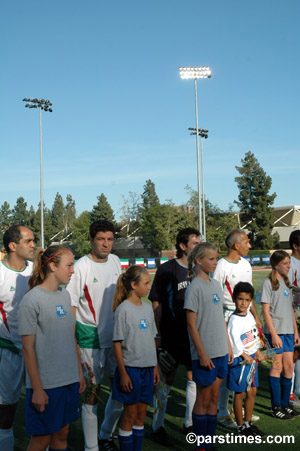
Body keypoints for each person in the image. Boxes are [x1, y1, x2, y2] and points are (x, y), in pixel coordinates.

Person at [17, 245, 86, 451]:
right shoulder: (31, 300)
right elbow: (27, 349)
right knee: (41, 441)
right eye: (69, 265)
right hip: (46, 385)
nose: (73, 270)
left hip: (69, 380)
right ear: (53, 266)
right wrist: (37, 388)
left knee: (62, 435)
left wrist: (79, 373)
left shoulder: (65, 295)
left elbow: (71, 338)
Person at [67, 219, 122, 451]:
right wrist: (74, 345)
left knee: (121, 390)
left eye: (110, 239)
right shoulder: (81, 267)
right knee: (92, 394)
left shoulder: (116, 261)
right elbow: (71, 307)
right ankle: (92, 447)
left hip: (117, 337)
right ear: (91, 240)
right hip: (90, 339)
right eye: (101, 239)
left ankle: (105, 435)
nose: (106, 244)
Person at [149, 227, 200, 446]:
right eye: (194, 242)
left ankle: (189, 423)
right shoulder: (167, 269)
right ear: (182, 246)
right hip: (170, 334)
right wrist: (157, 334)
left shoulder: (200, 269)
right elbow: (157, 302)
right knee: (166, 380)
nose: (197, 245)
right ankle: (157, 426)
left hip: (193, 335)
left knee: (193, 377)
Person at [184, 242, 233, 451]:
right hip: (205, 355)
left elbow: (221, 318)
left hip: (221, 351)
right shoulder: (194, 287)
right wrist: (202, 353)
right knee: (203, 400)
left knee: (214, 398)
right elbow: (191, 325)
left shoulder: (215, 284)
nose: (215, 263)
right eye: (211, 259)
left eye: (216, 258)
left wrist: (228, 345)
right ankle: (200, 445)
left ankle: (209, 442)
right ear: (198, 261)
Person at [213, 229, 261, 428]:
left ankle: (238, 409)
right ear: (236, 245)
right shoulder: (221, 266)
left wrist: (256, 318)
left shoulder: (246, 264)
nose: (249, 245)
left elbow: (248, 295)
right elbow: (215, 297)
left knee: (245, 363)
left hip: (246, 317)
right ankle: (223, 412)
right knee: (230, 364)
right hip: (227, 317)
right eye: (247, 242)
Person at [112, 265, 160, 451]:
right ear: (133, 285)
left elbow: (152, 339)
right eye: (146, 283)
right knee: (130, 415)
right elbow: (117, 343)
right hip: (130, 370)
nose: (149, 287)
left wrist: (154, 366)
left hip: (148, 369)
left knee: (141, 415)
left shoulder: (148, 308)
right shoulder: (123, 310)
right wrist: (123, 373)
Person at [0, 225, 35, 451]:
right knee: (6, 411)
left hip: (37, 351)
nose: (33, 245)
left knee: (43, 404)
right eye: (28, 241)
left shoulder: (38, 271)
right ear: (13, 246)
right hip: (8, 351)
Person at [261, 250, 300, 419]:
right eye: (285, 263)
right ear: (276, 265)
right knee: (276, 367)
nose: (288, 266)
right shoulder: (268, 283)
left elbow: (290, 309)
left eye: (289, 263)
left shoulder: (287, 282)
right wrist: (274, 334)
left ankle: (286, 405)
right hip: (274, 334)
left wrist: (296, 331)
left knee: (289, 367)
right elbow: (265, 311)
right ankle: (275, 407)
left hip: (289, 333)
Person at [227, 282, 265, 436]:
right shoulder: (234, 320)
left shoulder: (249, 315)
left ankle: (248, 423)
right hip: (240, 362)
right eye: (240, 299)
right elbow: (233, 341)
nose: (243, 303)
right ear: (234, 298)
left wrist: (257, 351)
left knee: (252, 391)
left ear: (251, 301)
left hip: (252, 361)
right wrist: (244, 355)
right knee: (240, 393)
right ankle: (240, 427)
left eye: (247, 300)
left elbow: (252, 337)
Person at [288, 230, 300, 406]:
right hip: (294, 312)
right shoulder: (289, 263)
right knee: (294, 353)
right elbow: (288, 289)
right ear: (296, 246)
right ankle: (291, 393)